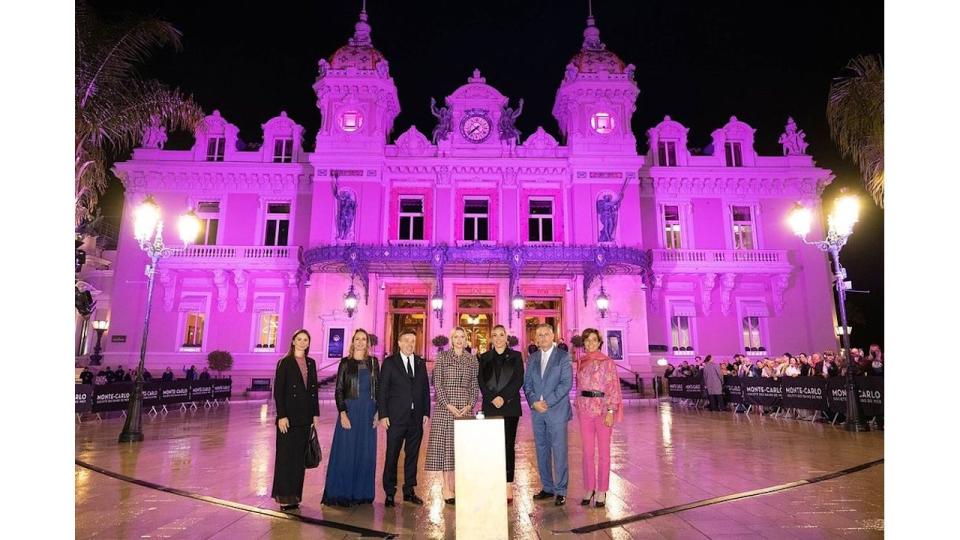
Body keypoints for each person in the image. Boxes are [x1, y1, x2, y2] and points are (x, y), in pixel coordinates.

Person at [323, 329, 380, 507]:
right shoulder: (345, 363)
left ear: (368, 343)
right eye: (358, 339)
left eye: (364, 339)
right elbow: (339, 389)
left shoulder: (373, 362)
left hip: (368, 411)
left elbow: (378, 388)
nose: (361, 342)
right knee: (346, 451)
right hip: (350, 410)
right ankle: (341, 492)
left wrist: (378, 411)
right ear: (353, 342)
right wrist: (342, 412)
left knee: (366, 452)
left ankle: (362, 493)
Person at [426, 327, 479, 505]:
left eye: (462, 337)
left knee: (461, 449)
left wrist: (470, 404)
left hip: (465, 408)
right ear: (451, 339)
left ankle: (459, 486)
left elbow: (474, 385)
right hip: (445, 407)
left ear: (466, 340)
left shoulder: (472, 360)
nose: (459, 340)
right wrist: (447, 404)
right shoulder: (442, 357)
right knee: (446, 449)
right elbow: (437, 383)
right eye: (456, 337)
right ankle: (447, 489)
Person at [378, 328, 431, 507]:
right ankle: (390, 492)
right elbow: (382, 390)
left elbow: (424, 389)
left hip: (416, 418)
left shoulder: (420, 362)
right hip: (395, 418)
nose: (409, 344)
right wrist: (383, 414)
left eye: (412, 341)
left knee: (413, 455)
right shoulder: (389, 363)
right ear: (399, 343)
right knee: (392, 454)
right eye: (406, 340)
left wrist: (425, 412)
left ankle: (409, 490)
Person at [523, 323, 573, 506]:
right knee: (541, 450)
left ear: (553, 335)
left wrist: (548, 401)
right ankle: (547, 487)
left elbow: (566, 384)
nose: (542, 338)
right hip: (537, 412)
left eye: (546, 334)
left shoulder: (563, 356)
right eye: (539, 335)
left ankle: (560, 490)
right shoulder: (533, 358)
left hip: (557, 410)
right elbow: (527, 383)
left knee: (559, 451)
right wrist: (534, 402)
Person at [271, 329, 320, 511]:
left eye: (305, 339)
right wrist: (281, 416)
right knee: (286, 458)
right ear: (293, 341)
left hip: (305, 417)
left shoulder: (311, 363)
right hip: (288, 418)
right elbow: (279, 391)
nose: (302, 342)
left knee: (299, 460)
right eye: (299, 339)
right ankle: (284, 496)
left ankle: (295, 496)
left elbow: (313, 390)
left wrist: (315, 414)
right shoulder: (285, 363)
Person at [478, 324, 525, 504]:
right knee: (491, 446)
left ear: (506, 338)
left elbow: (518, 379)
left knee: (507, 446)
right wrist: (492, 398)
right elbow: (481, 380)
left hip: (509, 406)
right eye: (494, 335)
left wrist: (503, 398)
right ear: (491, 338)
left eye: (501, 335)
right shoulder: (484, 357)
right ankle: (492, 481)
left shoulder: (516, 356)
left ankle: (507, 484)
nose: (498, 338)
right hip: (490, 406)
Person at [575, 328, 622, 508]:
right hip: (585, 409)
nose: (590, 343)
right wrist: (578, 404)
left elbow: (612, 387)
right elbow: (579, 386)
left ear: (599, 342)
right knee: (587, 452)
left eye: (594, 340)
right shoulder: (581, 361)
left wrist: (611, 411)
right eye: (587, 340)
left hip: (603, 410)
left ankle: (602, 490)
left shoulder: (607, 362)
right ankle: (589, 487)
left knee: (604, 453)